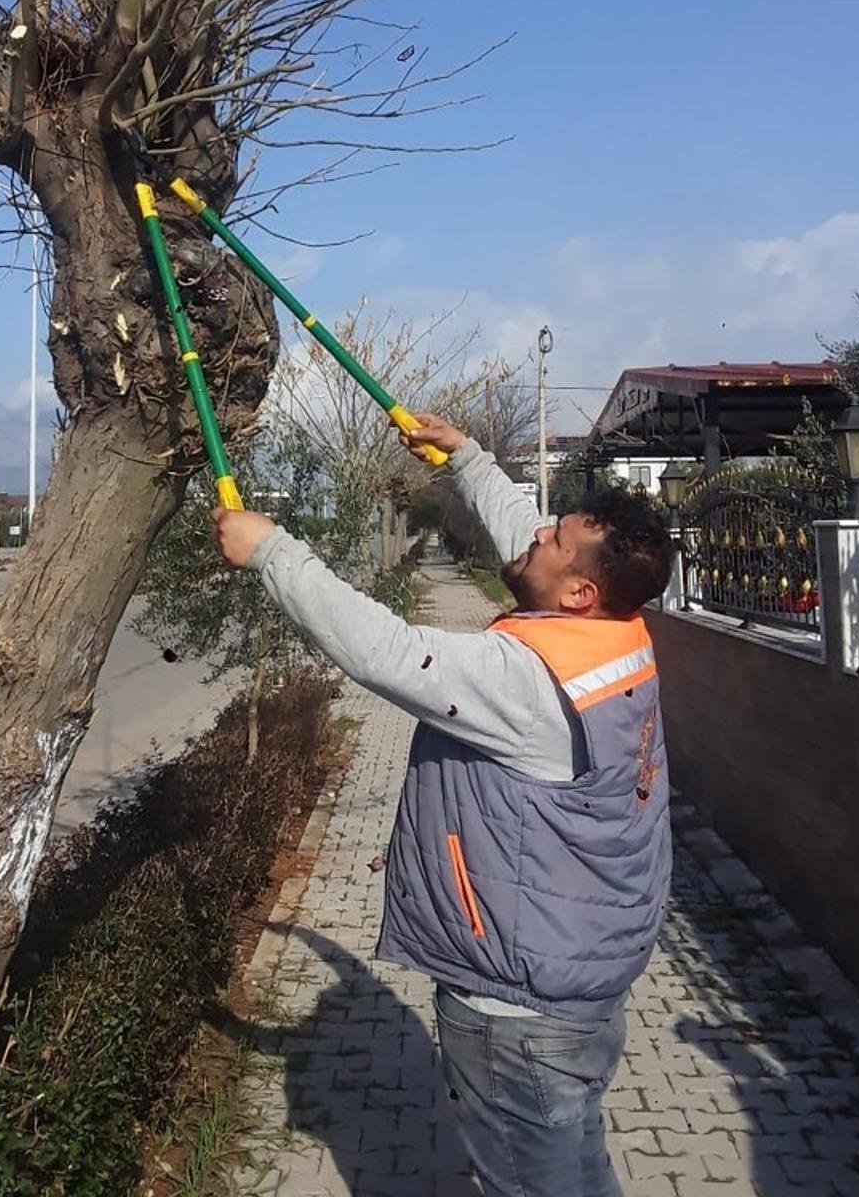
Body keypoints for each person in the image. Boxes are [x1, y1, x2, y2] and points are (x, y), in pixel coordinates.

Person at [212, 415, 675, 1197]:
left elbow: (385, 652)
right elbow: (525, 534)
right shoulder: (616, 633)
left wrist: (273, 552)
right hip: (583, 971)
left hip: (516, 1009)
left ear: (579, 591)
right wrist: (465, 457)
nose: (534, 538)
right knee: (575, 1163)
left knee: (535, 1183)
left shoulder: (528, 681)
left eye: (554, 541)